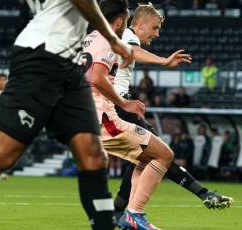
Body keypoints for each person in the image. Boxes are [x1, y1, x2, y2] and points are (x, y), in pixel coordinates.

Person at [0, 0, 136, 229]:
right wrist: (114, 39)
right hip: (41, 55)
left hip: (71, 65)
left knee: (93, 156)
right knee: (1, 156)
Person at [111, 2, 233, 226]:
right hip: (119, 104)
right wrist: (163, 61)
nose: (157, 34)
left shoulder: (119, 36)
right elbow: (132, 51)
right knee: (161, 155)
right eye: (155, 28)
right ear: (140, 24)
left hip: (115, 104)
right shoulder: (129, 36)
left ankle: (118, 211)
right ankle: (203, 194)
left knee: (143, 157)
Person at [84, 1, 177, 229]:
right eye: (125, 23)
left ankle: (131, 215)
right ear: (118, 22)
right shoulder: (109, 39)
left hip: (81, 114)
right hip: (102, 117)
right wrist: (124, 103)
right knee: (164, 155)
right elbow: (97, 78)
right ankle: (134, 214)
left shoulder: (87, 38)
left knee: (146, 158)